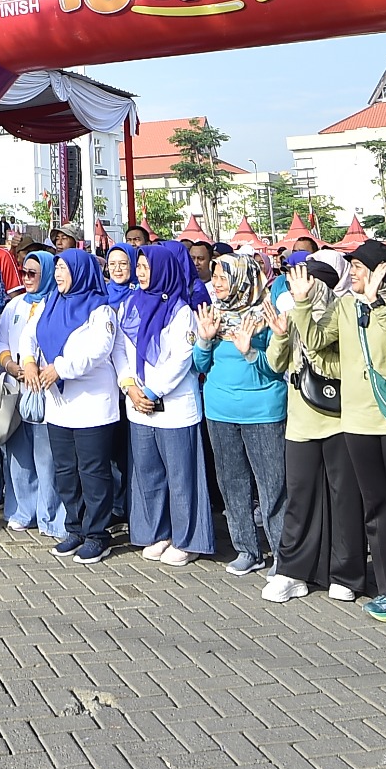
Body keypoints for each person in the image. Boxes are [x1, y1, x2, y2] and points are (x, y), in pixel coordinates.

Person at [294, 244, 386, 627]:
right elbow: (317, 341)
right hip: (356, 423)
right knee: (376, 509)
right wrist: (303, 303)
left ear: (381, 270)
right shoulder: (343, 307)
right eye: (353, 267)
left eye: (360, 267)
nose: (353, 273)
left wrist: (376, 305)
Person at [264, 254, 363, 604]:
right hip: (301, 423)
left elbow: (329, 355)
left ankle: (345, 573)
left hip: (338, 419)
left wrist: (304, 313)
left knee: (344, 499)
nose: (299, 287)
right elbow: (277, 364)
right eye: (295, 281)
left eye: (307, 281)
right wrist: (279, 336)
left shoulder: (342, 312)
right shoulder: (292, 311)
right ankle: (293, 571)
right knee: (300, 498)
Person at [119, 241, 213, 566]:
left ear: (163, 270)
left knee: (181, 476)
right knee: (148, 473)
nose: (140, 273)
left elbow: (181, 358)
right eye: (139, 267)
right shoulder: (132, 303)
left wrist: (152, 391)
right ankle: (157, 532)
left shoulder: (182, 311)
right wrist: (130, 386)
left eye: (146, 268)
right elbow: (121, 348)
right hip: (138, 405)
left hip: (173, 406)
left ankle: (188, 539)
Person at [192, 252, 286, 579]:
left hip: (262, 411)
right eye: (214, 277)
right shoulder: (214, 315)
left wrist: (250, 351)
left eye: (223, 277)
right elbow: (202, 367)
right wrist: (204, 341)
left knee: (272, 485)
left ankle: (283, 555)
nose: (216, 284)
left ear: (243, 279)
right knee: (232, 483)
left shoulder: (267, 317)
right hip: (219, 410)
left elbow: (276, 368)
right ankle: (248, 549)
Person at [34, 247, 119, 563]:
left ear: (81, 272)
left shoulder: (101, 310)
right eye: (55, 269)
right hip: (59, 403)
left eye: (64, 269)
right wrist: (29, 362)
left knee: (93, 471)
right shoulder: (51, 303)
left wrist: (60, 368)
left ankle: (98, 534)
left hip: (92, 404)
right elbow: (32, 336)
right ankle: (76, 528)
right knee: (66, 470)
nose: (57, 275)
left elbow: (98, 351)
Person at [0, 247, 66, 539]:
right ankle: (23, 511)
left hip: (47, 392)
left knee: (47, 458)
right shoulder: (14, 306)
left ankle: (51, 516)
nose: (26, 278)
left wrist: (38, 368)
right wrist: (11, 365)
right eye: (24, 272)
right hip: (17, 390)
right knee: (18, 456)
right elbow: (1, 341)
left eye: (33, 273)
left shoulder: (56, 303)